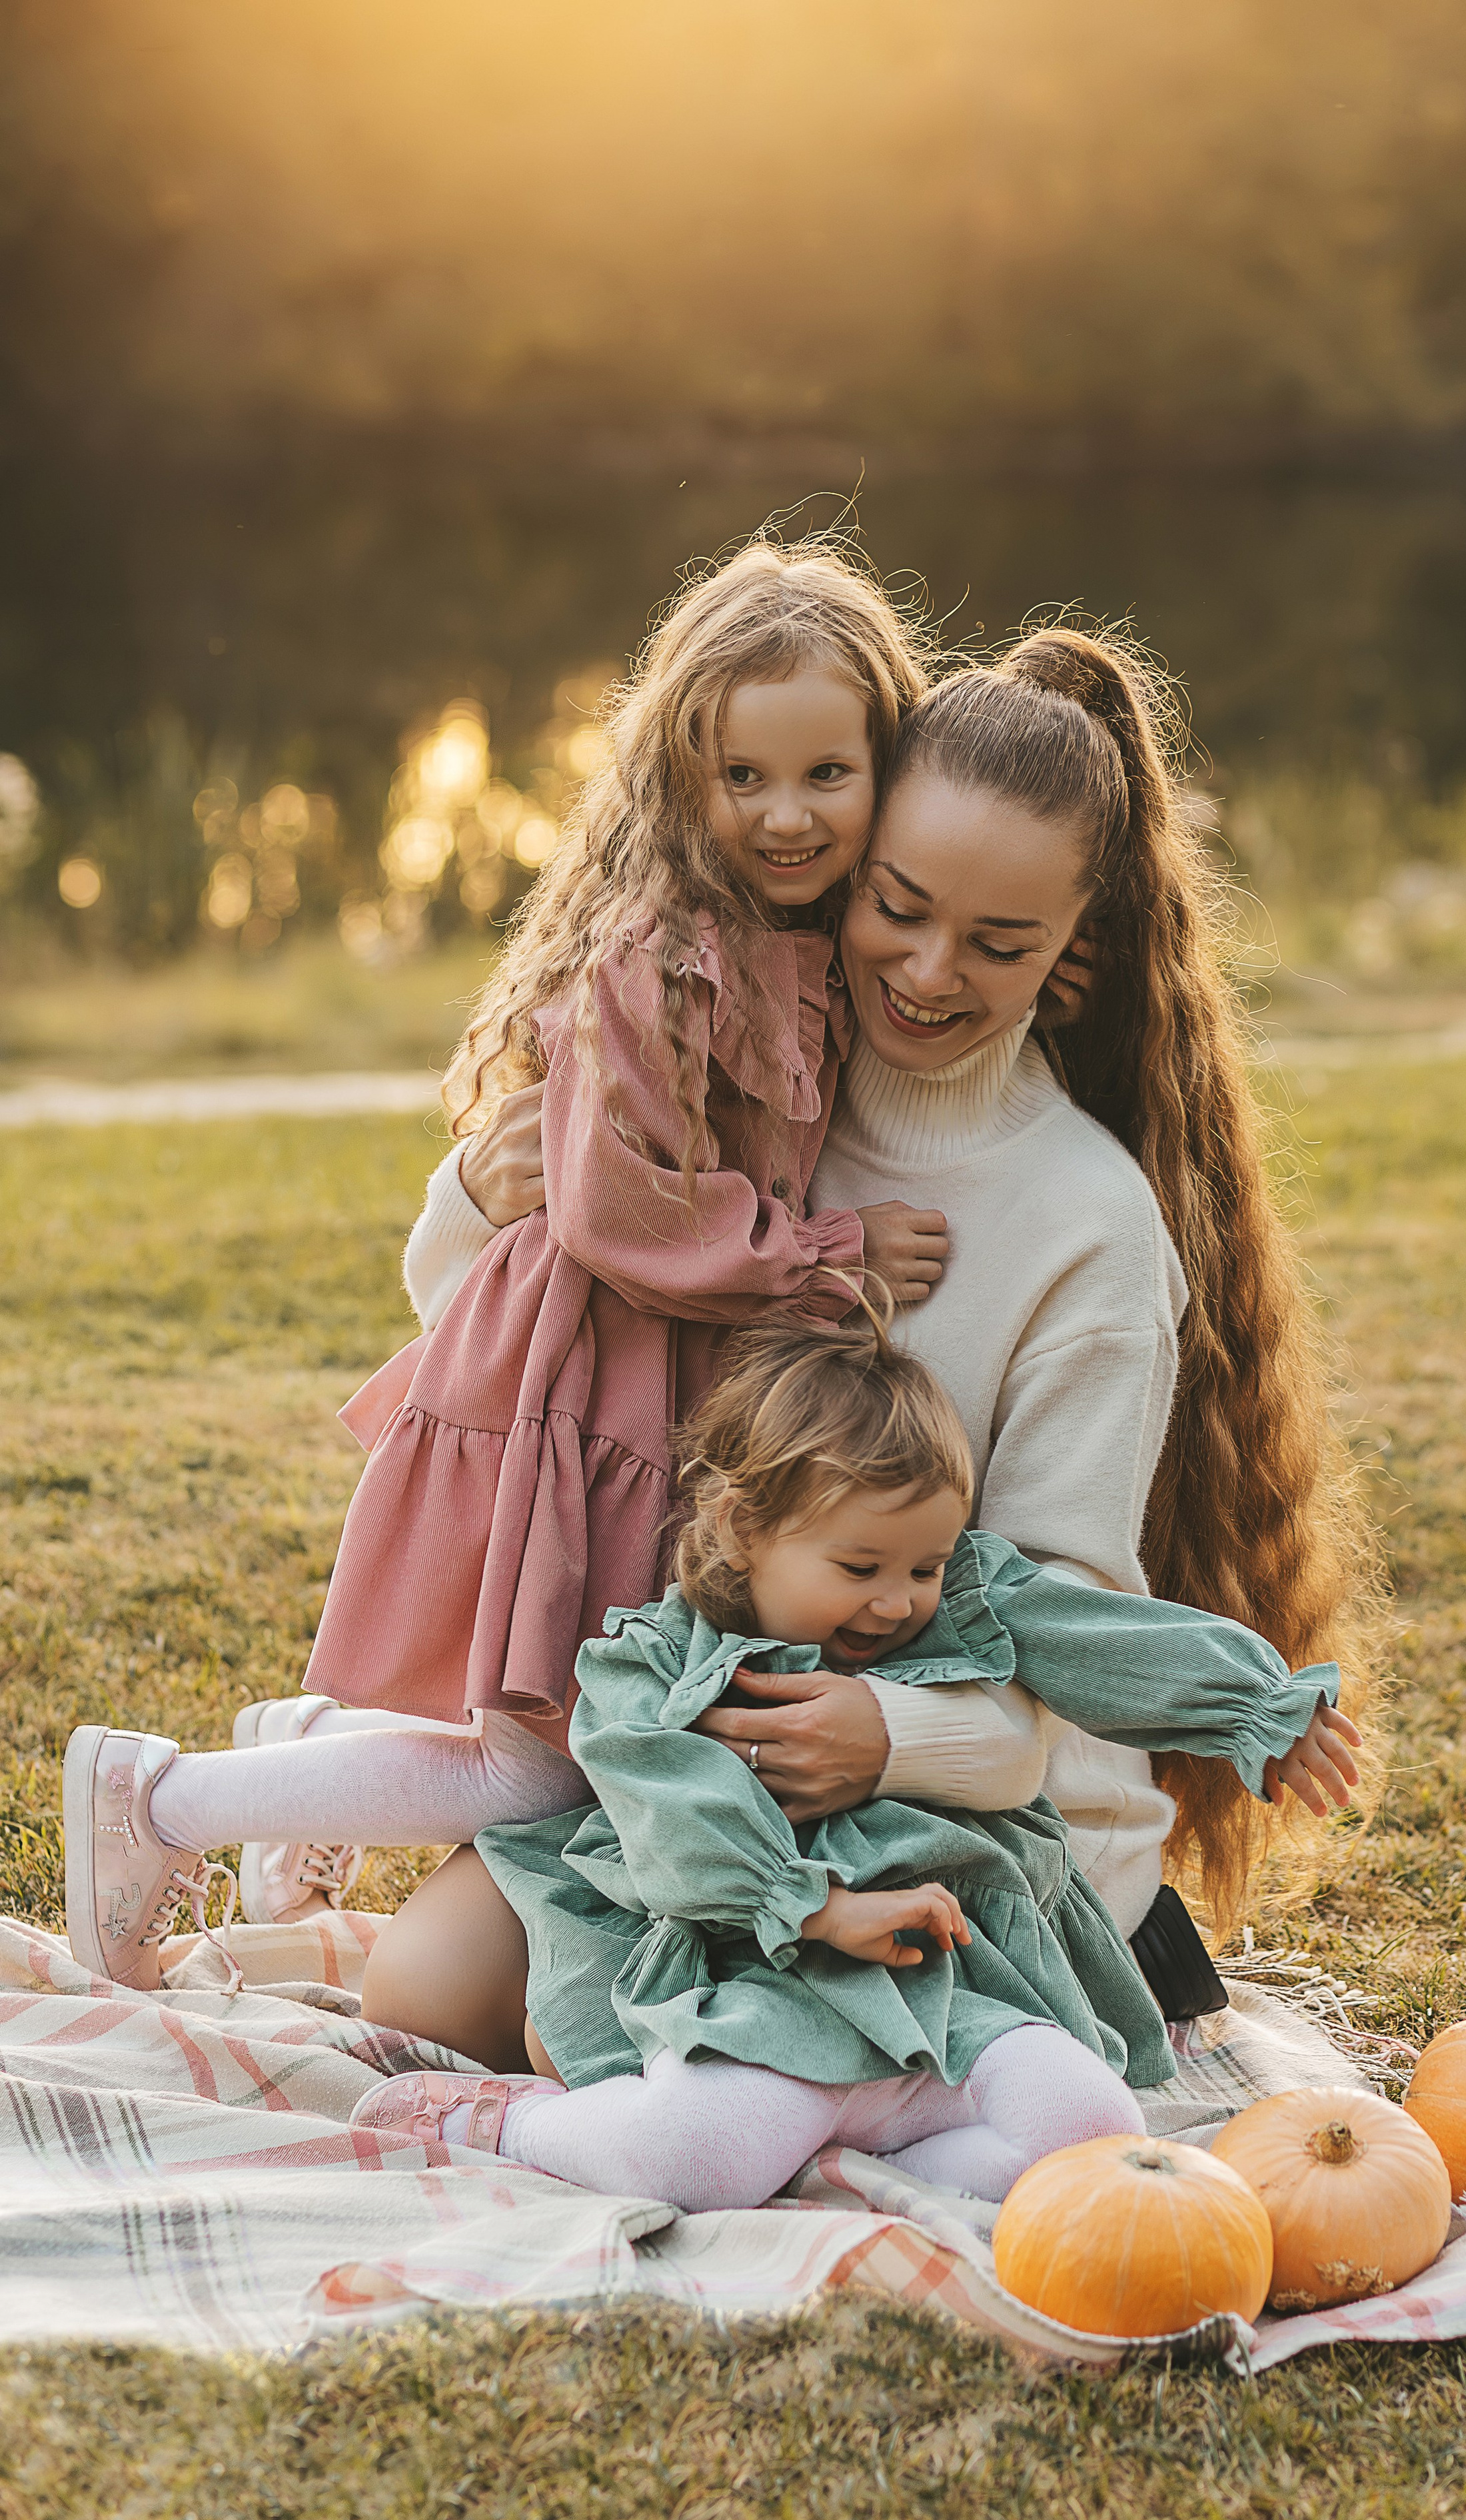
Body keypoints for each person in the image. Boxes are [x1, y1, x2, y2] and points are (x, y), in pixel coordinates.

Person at [343, 622, 1381, 2068]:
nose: (928, 973)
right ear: (834, 863)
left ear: (1069, 953)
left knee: (629, 2043)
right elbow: (498, 1343)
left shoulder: (1085, 1223)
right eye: (897, 906)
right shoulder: (755, 1109)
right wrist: (482, 1190)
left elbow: (1054, 1637)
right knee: (421, 1994)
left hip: (981, 1814)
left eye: (999, 942)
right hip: (733, 1769)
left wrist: (883, 1735)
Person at [60, 537, 950, 1990]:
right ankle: (157, 1802)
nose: (785, 816)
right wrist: (825, 1256)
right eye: (743, 779)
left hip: (663, 1387)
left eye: (825, 777)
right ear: (682, 777)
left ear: (882, 768)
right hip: (588, 1381)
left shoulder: (807, 937)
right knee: (545, 1767)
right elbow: (618, 1215)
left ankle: (302, 1750)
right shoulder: (657, 959)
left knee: (575, 1740)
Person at [350, 1319, 1356, 2209]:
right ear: (744, 1531)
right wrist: (813, 1907)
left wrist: (1256, 1707)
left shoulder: (961, 1599)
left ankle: (850, 2169)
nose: (897, 1601)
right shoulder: (651, 1667)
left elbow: (1098, 1637)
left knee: (1094, 2127)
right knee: (694, 2160)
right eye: (860, 1568)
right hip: (768, 1981)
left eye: (922, 1567)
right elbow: (669, 1805)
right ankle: (499, 2126)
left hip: (958, 1983)